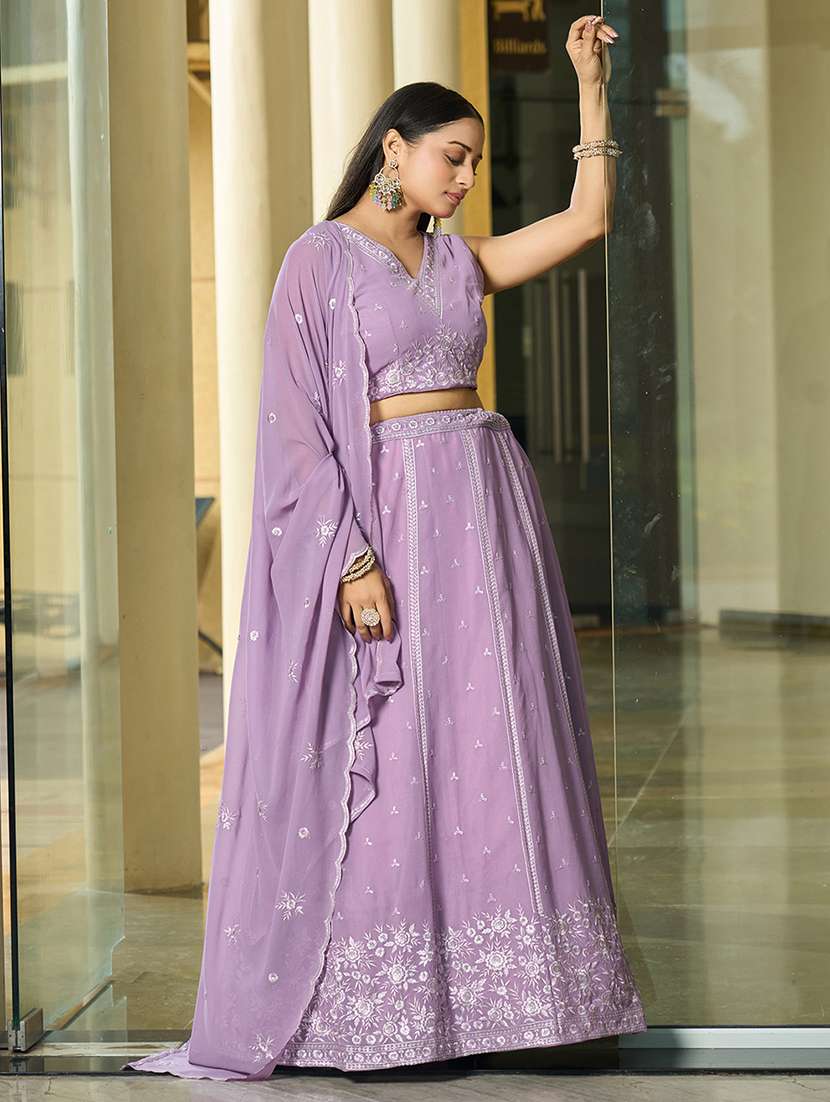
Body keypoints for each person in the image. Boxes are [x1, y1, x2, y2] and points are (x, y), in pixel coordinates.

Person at [123, 13, 645, 1081]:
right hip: (390, 526)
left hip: (486, 520)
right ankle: (387, 1016)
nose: (465, 178)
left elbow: (588, 218)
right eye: (452, 156)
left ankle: (516, 1004)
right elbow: (294, 425)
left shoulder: (459, 261)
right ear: (392, 149)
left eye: (476, 162)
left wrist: (589, 86)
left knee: (493, 741)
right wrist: (351, 559)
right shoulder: (319, 262)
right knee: (395, 745)